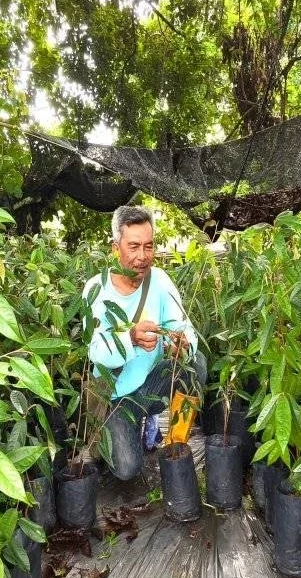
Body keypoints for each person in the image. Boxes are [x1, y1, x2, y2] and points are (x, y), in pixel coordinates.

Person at [82, 205, 207, 480]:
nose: (142, 257)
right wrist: (130, 338)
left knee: (195, 364)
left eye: (148, 247)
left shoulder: (160, 281)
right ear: (116, 248)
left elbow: (184, 328)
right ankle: (109, 433)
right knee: (127, 469)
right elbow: (96, 351)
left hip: (151, 383)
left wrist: (181, 345)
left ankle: (175, 441)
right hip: (116, 395)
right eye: (134, 246)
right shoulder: (96, 290)